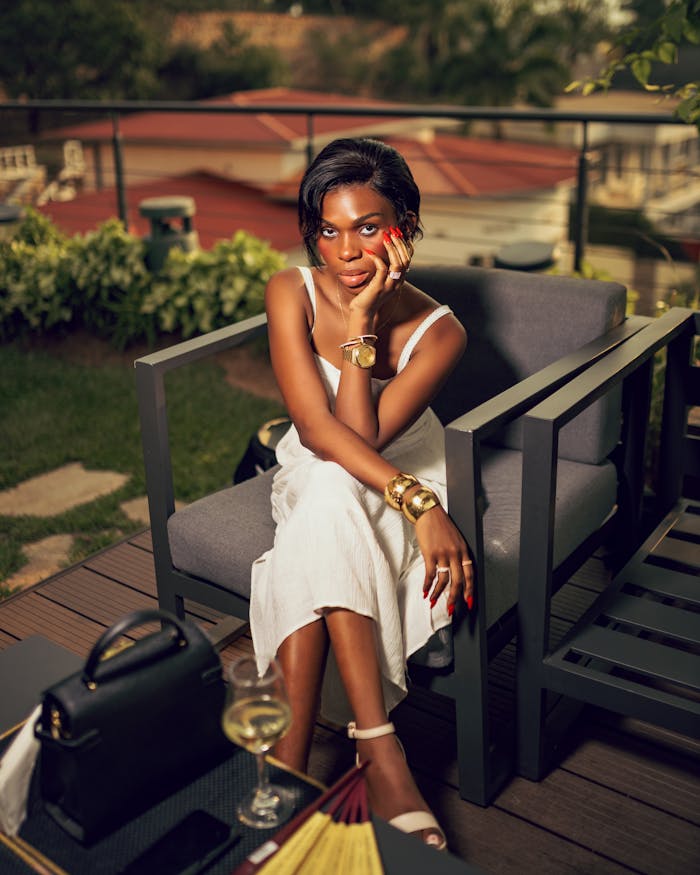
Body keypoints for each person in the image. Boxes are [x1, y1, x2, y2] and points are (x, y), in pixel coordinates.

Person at [250, 137, 474, 850]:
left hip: (392, 460)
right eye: (328, 229)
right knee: (322, 483)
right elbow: (318, 430)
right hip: (342, 469)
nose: (345, 251)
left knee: (329, 493)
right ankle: (380, 750)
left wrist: (365, 324)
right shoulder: (289, 289)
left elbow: (362, 440)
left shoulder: (443, 332)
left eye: (369, 226)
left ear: (403, 224)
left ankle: (286, 772)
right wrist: (421, 506)